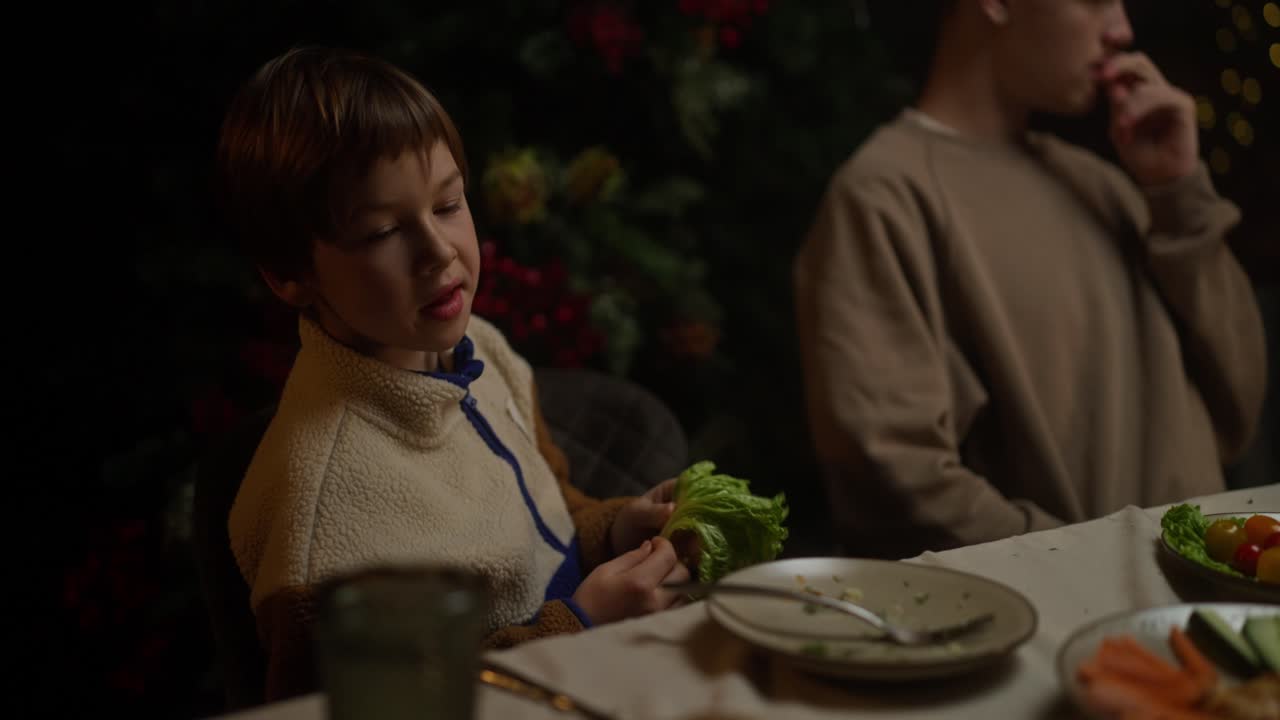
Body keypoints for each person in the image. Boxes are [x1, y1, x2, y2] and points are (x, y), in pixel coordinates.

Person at [215, 46, 690, 701]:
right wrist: (580, 623)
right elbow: (384, 705)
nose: (439, 253)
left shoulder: (481, 349)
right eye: (383, 230)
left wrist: (615, 528)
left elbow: (553, 514)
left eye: (447, 205)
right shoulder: (321, 524)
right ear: (289, 276)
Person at [793, 0, 1266, 559]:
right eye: (1095, 2)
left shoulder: (1107, 185)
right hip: (1067, 629)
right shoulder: (885, 197)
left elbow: (1238, 411)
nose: (1123, 30)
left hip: (1206, 608)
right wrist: (1090, 565)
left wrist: (1181, 196)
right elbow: (896, 480)